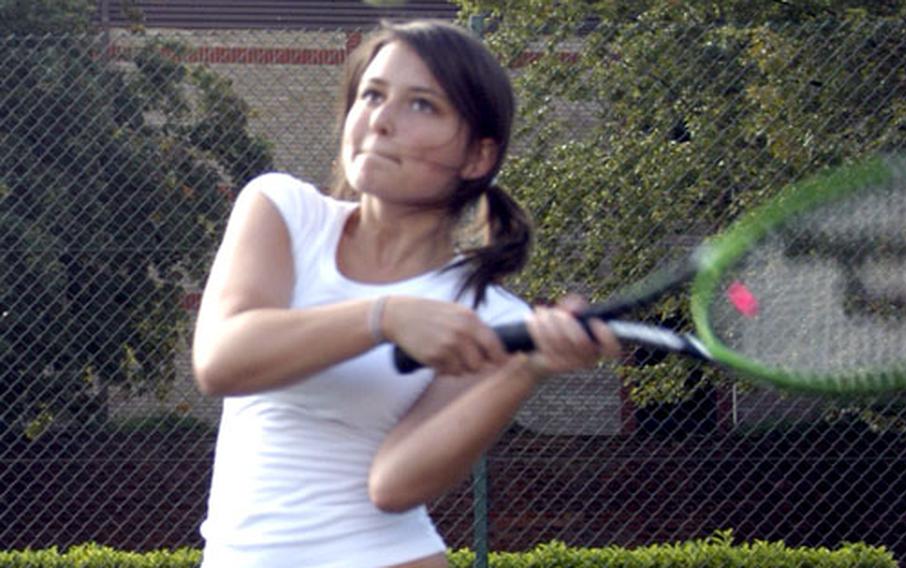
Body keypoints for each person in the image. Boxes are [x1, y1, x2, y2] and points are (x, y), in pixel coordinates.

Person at [192, 19, 620, 568]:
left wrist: (523, 370)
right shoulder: (281, 210)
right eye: (372, 94)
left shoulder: (488, 315)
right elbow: (222, 360)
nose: (381, 120)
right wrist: (385, 317)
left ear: (477, 158)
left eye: (422, 105)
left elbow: (394, 485)